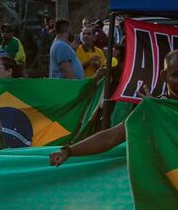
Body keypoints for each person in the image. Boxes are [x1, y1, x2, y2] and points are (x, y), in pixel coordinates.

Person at [50, 49, 178, 166]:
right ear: (164, 76)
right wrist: (68, 151)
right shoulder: (152, 109)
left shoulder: (155, 107)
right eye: (176, 75)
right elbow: (110, 138)